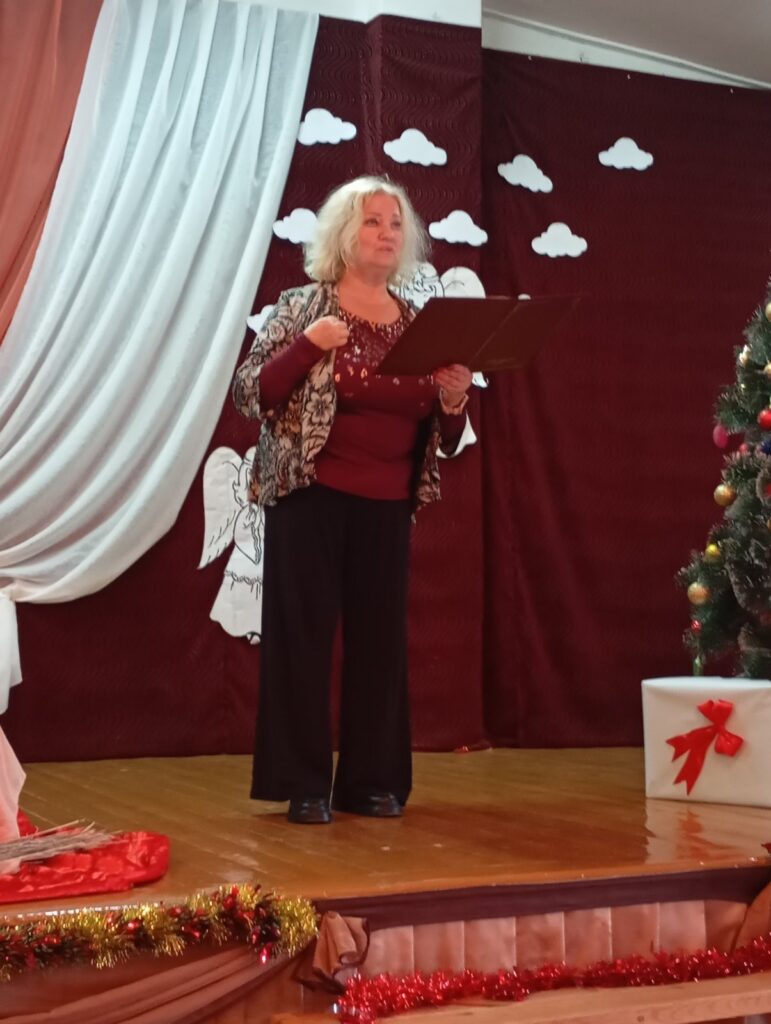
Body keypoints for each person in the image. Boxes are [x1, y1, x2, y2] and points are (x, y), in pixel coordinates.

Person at [232, 175, 472, 824]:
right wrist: (309, 344)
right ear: (343, 234)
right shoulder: (302, 306)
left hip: (388, 503)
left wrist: (453, 398)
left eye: (395, 224)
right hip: (309, 495)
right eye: (372, 221)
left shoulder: (419, 324)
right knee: (302, 642)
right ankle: (303, 783)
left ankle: (370, 781)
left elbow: (445, 438)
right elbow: (251, 393)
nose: (387, 233)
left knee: (379, 646)